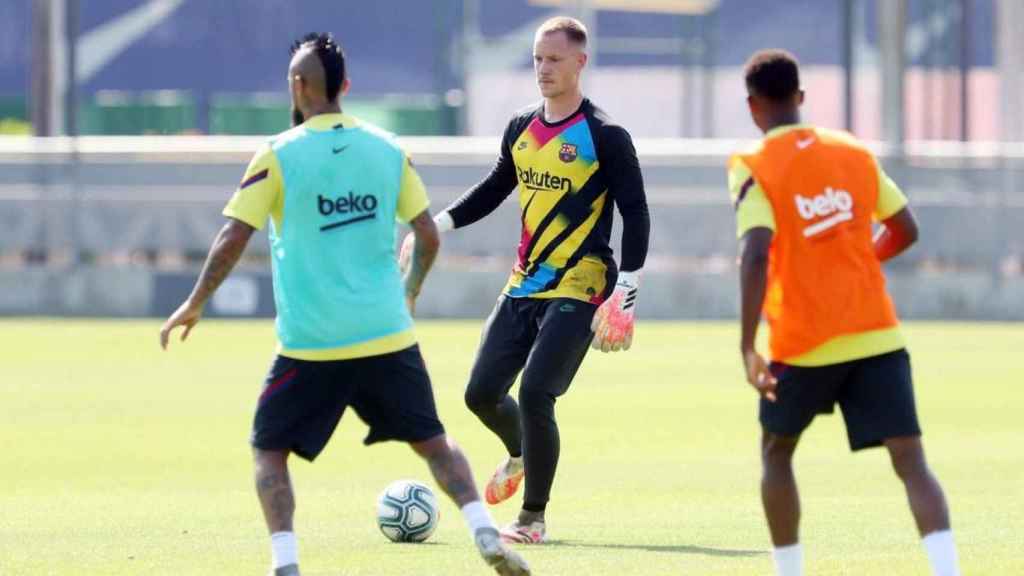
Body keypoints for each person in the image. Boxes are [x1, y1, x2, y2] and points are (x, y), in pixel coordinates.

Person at [159, 33, 530, 576]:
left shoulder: (278, 154)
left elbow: (232, 237)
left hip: (312, 342)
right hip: (386, 332)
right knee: (434, 443)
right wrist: (409, 292)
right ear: (346, 88)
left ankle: (285, 564)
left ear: (297, 85)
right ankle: (483, 531)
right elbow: (428, 236)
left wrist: (194, 303)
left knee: (268, 451)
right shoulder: (387, 148)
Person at [401, 16, 650, 544]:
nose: (543, 68)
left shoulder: (604, 135)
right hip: (525, 282)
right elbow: (495, 186)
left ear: (580, 63)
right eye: (538, 58)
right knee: (480, 393)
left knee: (537, 392)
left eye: (554, 59)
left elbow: (636, 211)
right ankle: (520, 453)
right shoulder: (521, 127)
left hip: (581, 284)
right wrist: (435, 224)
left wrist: (627, 288)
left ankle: (532, 518)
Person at [730, 49, 961, 576]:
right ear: (802, 98)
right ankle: (948, 570)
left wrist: (747, 346)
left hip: (802, 339)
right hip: (875, 332)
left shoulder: (753, 163)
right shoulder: (853, 153)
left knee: (776, 453)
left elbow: (756, 250)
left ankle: (789, 571)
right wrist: (857, 261)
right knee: (910, 460)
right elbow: (906, 228)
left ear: (753, 107)